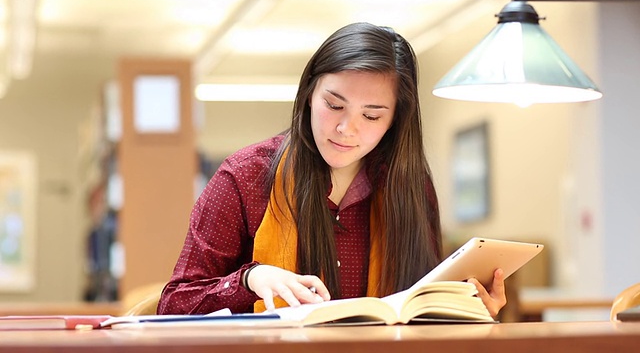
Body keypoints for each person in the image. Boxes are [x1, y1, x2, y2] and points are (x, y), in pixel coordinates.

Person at [157, 22, 506, 317]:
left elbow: (421, 304)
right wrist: (249, 279)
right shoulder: (245, 176)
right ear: (309, 93)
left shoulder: (409, 186)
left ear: (395, 122)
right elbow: (173, 304)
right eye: (334, 105)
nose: (346, 128)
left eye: (371, 116)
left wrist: (469, 310)